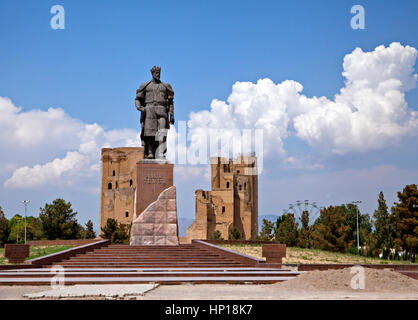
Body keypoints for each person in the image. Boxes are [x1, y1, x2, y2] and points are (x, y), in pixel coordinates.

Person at [135, 66, 174, 159]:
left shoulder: (165, 86)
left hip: (162, 109)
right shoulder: (145, 86)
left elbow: (171, 102)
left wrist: (172, 113)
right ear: (152, 74)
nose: (158, 75)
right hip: (149, 109)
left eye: (159, 73)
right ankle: (150, 152)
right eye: (156, 73)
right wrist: (139, 107)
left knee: (162, 131)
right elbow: (137, 99)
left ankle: (160, 152)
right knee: (149, 132)